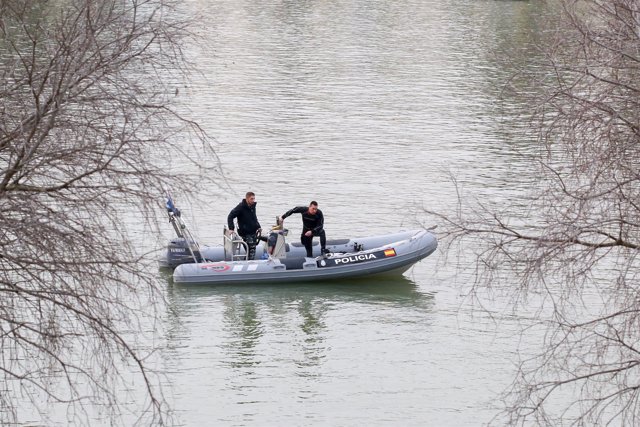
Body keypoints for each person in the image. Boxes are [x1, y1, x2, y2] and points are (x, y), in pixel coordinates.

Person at [227, 192, 264, 260]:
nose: (253, 200)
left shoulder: (253, 207)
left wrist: (258, 227)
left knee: (251, 250)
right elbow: (230, 216)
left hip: (253, 232)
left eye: (254, 199)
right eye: (251, 199)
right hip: (245, 233)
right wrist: (231, 228)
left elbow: (254, 218)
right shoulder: (240, 207)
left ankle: (247, 262)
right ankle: (249, 264)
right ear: (247, 199)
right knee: (251, 249)